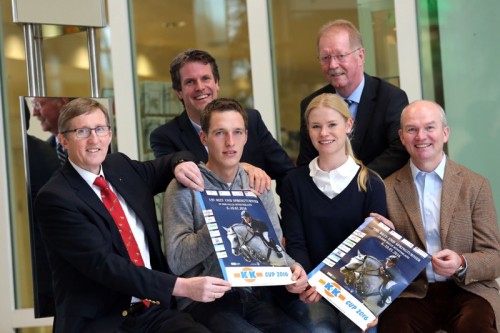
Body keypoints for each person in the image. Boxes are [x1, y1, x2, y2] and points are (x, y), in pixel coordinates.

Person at [34, 97, 230, 333]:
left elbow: (171, 160)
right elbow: (106, 265)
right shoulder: (56, 198)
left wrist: (179, 165)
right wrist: (182, 287)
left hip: (152, 311)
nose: (94, 139)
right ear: (64, 140)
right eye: (82, 131)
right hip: (101, 320)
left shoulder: (120, 167)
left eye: (100, 129)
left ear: (109, 134)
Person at [163, 98, 308, 333]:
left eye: (237, 132)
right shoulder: (184, 186)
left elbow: (276, 251)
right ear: (204, 138)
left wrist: (293, 269)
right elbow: (177, 261)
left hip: (252, 296)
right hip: (204, 300)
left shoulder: (256, 183)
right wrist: (222, 220)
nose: (230, 142)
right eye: (220, 133)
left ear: (246, 137)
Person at [376, 100, 500, 332]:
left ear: (445, 133)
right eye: (412, 129)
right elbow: (381, 266)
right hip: (412, 294)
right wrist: (381, 239)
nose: (421, 136)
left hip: (469, 290)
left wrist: (462, 263)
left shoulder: (476, 185)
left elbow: (495, 257)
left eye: (429, 128)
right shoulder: (386, 189)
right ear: (402, 137)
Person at [281, 93, 386, 332]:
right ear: (307, 131)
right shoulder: (294, 182)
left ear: (348, 125)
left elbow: (371, 251)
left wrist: (333, 285)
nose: (323, 133)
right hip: (312, 288)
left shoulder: (371, 183)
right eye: (315, 126)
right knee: (321, 329)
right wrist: (311, 282)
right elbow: (296, 242)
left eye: (331, 125)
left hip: (355, 289)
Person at [150, 49, 294, 194]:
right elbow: (177, 188)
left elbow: (287, 174)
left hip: (258, 215)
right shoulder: (165, 137)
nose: (200, 87)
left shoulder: (251, 121)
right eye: (190, 82)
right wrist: (238, 168)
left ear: (217, 83)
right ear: (178, 91)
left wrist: (289, 216)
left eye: (206, 78)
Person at [297, 19, 409, 178]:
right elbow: (306, 161)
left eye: (341, 56)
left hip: (375, 190)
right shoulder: (312, 103)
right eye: (325, 57)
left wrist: (358, 180)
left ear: (361, 55)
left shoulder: (391, 98)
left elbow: (399, 151)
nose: (333, 65)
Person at [31, 97, 72, 165]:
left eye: (37, 105)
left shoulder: (92, 142)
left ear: (62, 104)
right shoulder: (43, 151)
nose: (34, 113)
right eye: (33, 106)